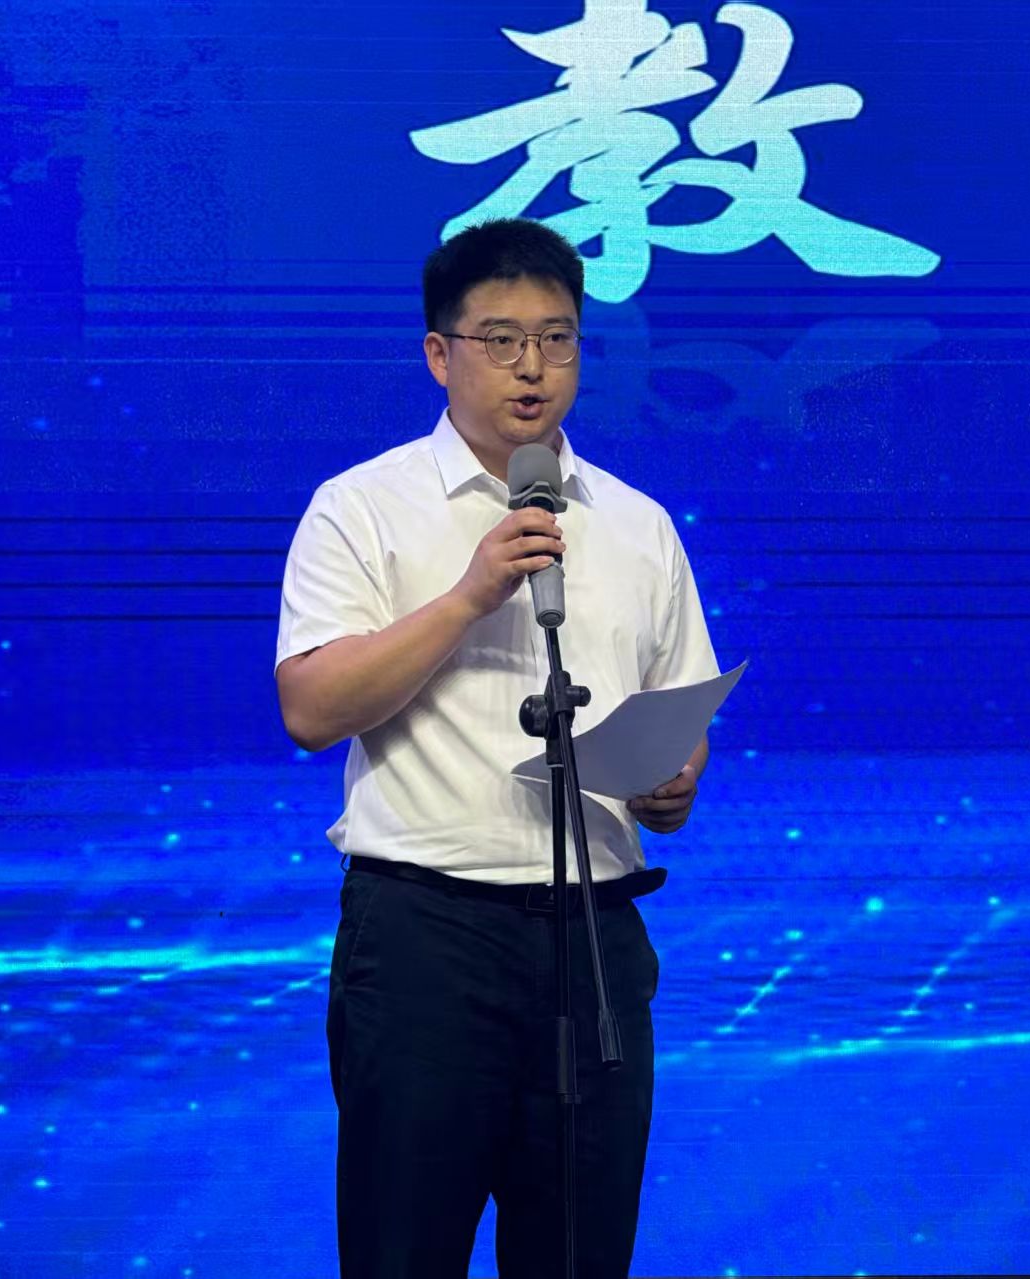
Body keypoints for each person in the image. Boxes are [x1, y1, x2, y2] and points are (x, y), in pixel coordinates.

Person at [274, 217, 719, 1279]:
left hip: (595, 938)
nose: (533, 367)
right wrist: (470, 594)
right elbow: (310, 707)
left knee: (579, 1252)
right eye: (502, 339)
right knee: (403, 1249)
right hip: (427, 940)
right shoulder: (361, 507)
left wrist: (671, 785)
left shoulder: (637, 524)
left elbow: (679, 718)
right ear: (440, 353)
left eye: (557, 339)